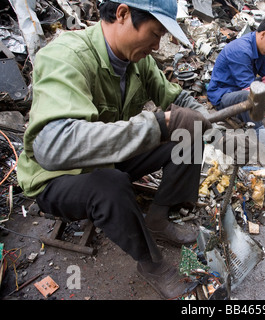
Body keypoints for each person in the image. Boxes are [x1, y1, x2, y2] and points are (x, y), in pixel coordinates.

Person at [16, 0, 214, 299]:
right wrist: (158, 125)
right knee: (110, 185)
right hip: (56, 176)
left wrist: (203, 118)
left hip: (106, 158)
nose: (158, 45)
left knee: (189, 137)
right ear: (122, 14)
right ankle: (151, 265)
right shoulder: (66, 56)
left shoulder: (138, 61)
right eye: (155, 33)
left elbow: (176, 97)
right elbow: (52, 148)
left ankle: (159, 219)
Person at [207, 16, 265, 164]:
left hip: (244, 89)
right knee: (247, 97)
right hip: (224, 95)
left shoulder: (260, 49)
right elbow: (250, 92)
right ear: (263, 34)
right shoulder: (240, 50)